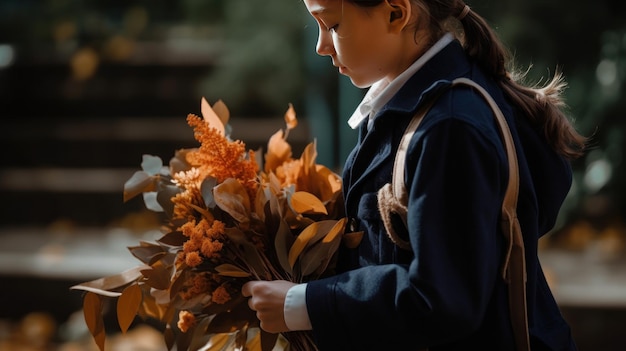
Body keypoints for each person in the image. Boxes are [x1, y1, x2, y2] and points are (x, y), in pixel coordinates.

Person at [242, 0, 587, 350]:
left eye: (331, 25)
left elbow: (444, 299)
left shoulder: (450, 127)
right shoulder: (415, 104)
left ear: (396, 13)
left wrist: (307, 304)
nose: (321, 45)